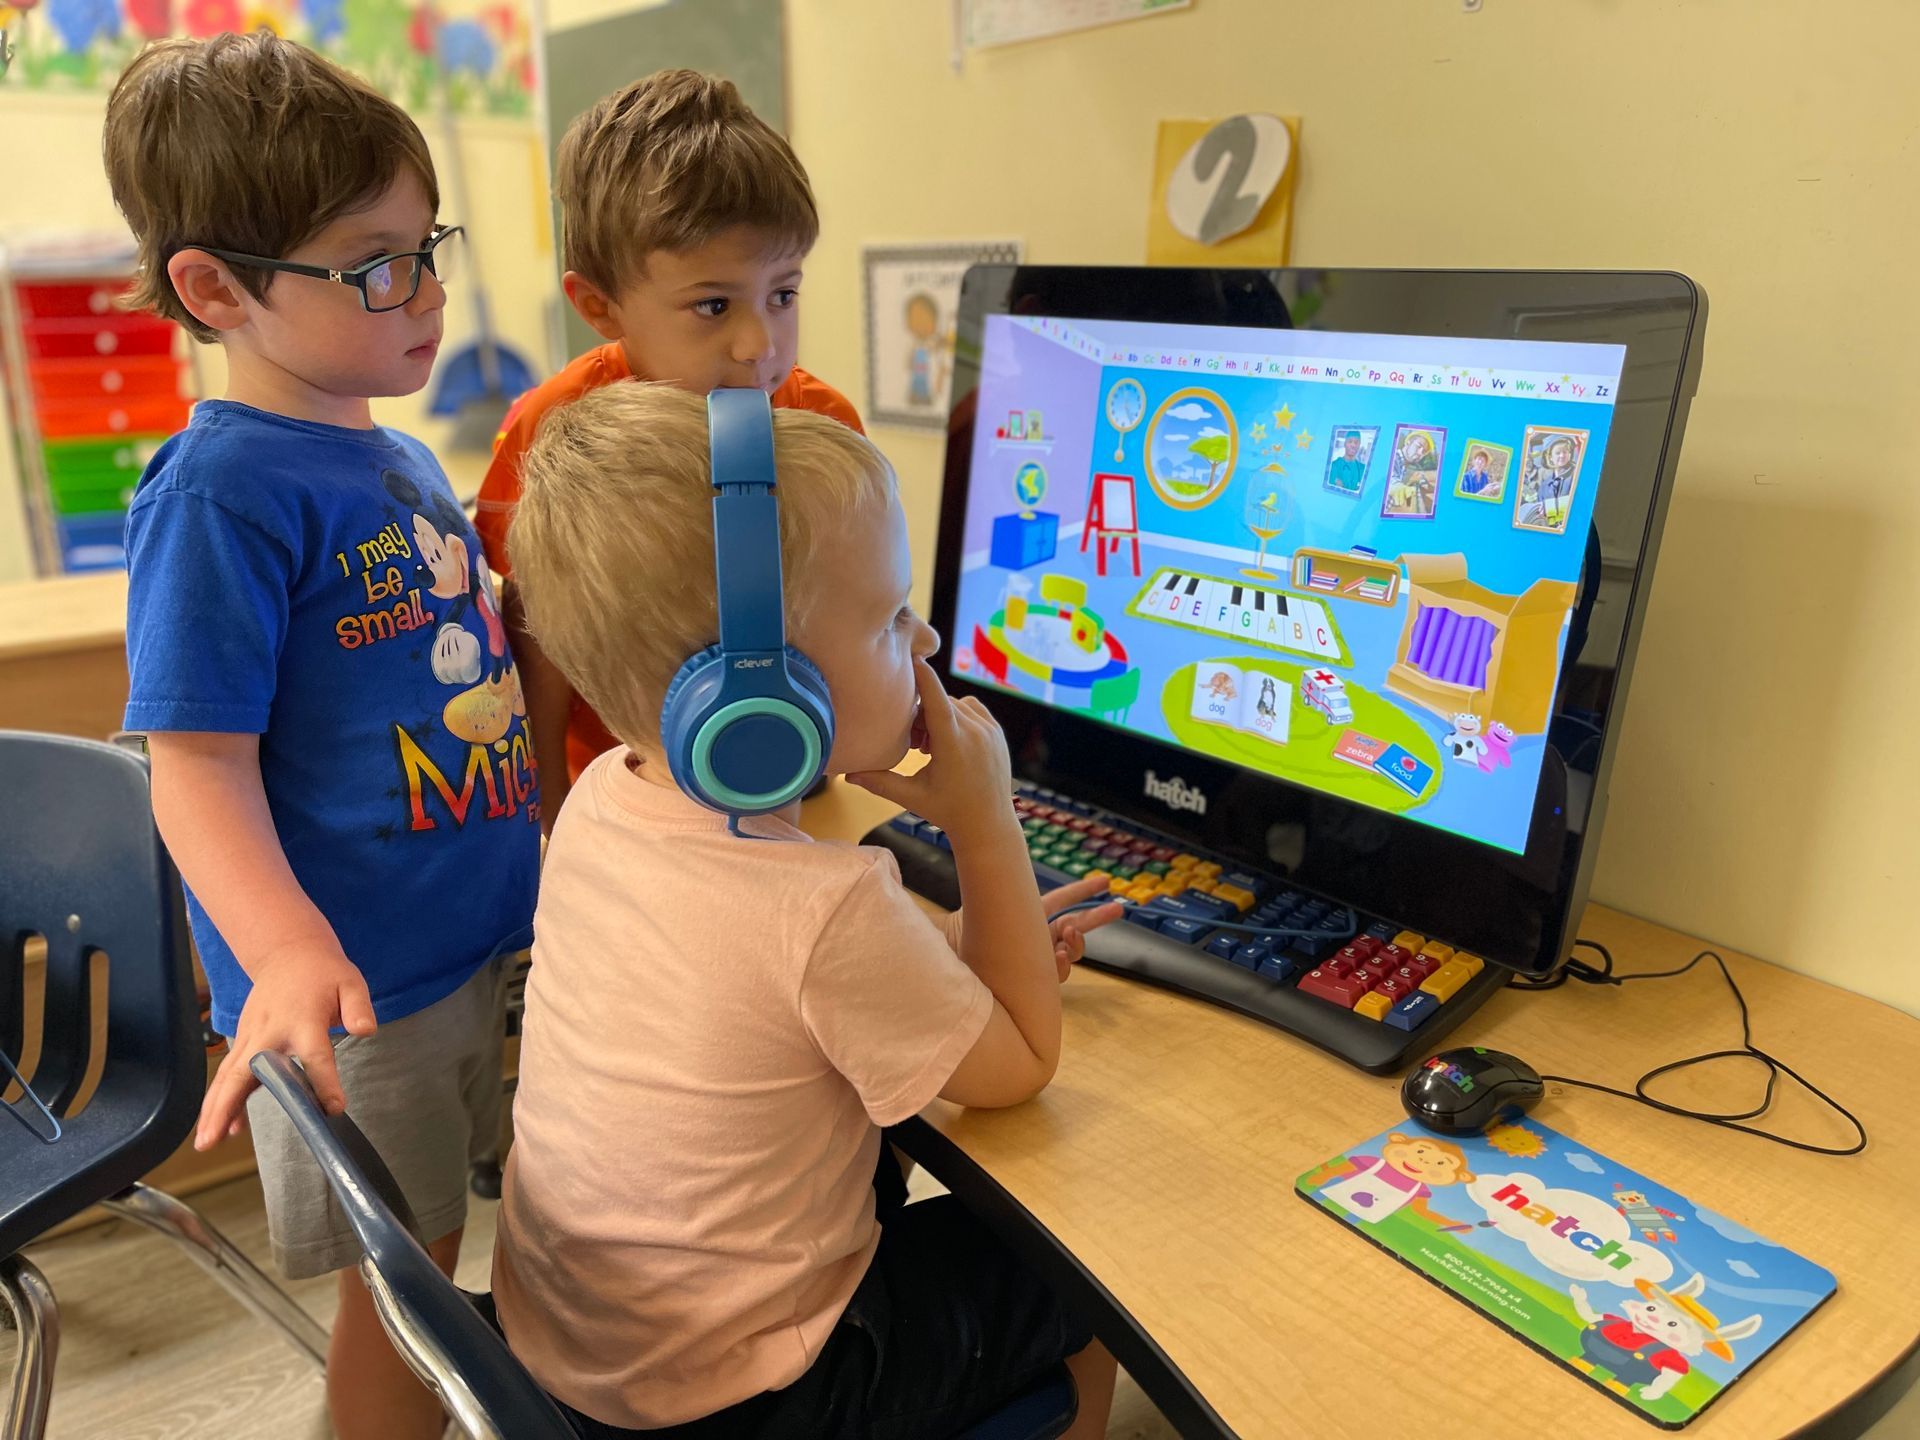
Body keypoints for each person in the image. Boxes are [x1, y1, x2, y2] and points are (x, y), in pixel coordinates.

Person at [493, 382, 1122, 1438]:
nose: (922, 641)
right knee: (1088, 1270)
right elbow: (1018, 1070)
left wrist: (971, 955)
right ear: (758, 702)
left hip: (578, 1358)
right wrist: (986, 823)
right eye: (887, 619)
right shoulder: (823, 903)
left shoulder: (601, 805)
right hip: (743, 1397)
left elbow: (755, 1004)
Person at [103, 34, 539, 1440]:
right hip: (362, 999)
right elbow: (195, 765)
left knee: (516, 1239)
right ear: (215, 289)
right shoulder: (220, 492)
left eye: (428, 248)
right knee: (404, 1297)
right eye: (374, 267)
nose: (425, 295)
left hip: (488, 942)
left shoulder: (397, 450)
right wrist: (287, 949)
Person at [474, 69, 862, 827]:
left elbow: (852, 615)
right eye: (713, 305)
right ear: (599, 305)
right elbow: (536, 635)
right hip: (617, 790)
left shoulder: (818, 424)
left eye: (783, 294)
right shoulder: (552, 430)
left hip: (790, 781)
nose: (760, 345)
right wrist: (549, 809)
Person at [1326, 428, 1368, 493]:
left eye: (1356, 442)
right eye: (1350, 441)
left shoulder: (1363, 469)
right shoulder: (1334, 466)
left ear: (1359, 445)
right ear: (1345, 444)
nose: (1353, 445)